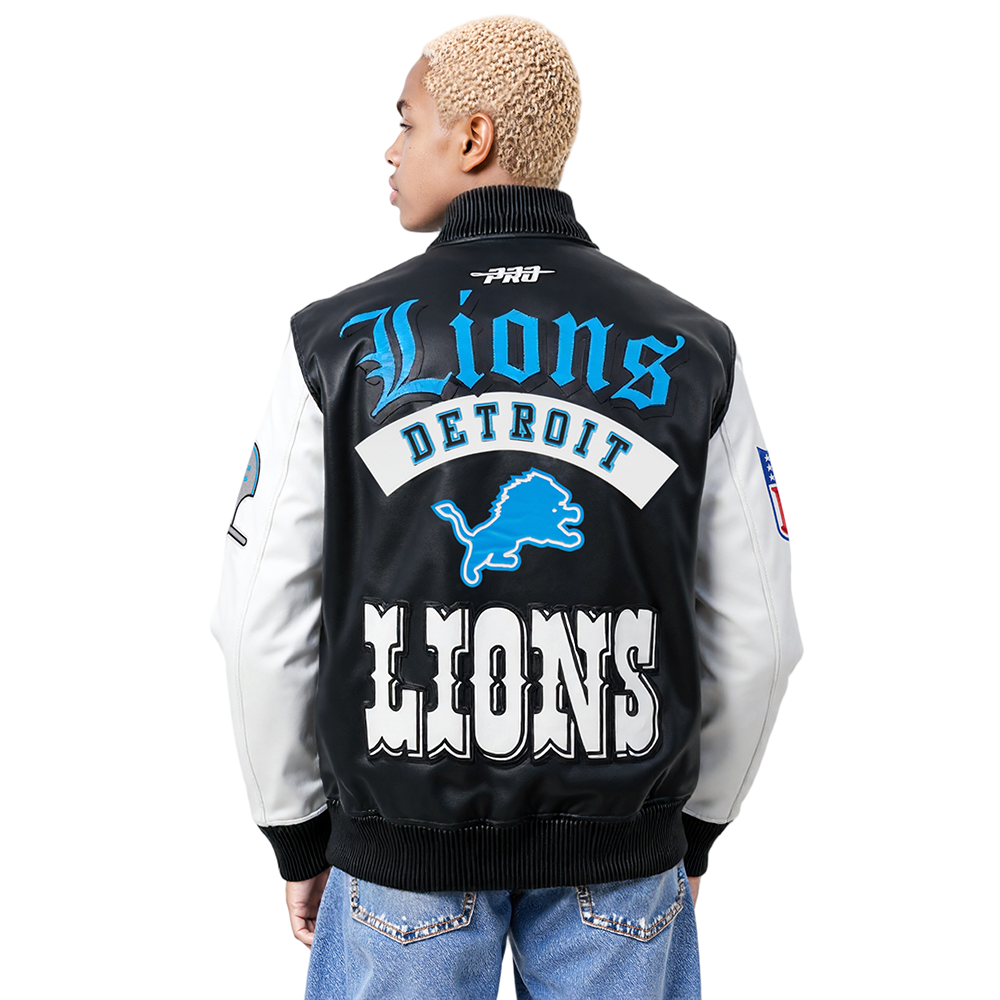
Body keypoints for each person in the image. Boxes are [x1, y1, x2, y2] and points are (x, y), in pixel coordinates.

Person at [211, 15, 802, 1000]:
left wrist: (297, 828)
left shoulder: (334, 341)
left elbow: (257, 621)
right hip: (621, 850)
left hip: (400, 848)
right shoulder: (695, 347)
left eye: (408, 121)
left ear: (473, 138)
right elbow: (760, 634)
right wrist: (693, 826)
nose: (390, 149)